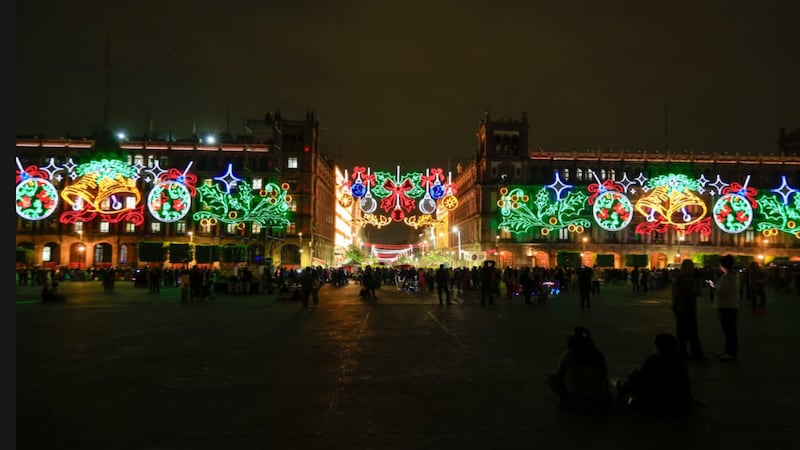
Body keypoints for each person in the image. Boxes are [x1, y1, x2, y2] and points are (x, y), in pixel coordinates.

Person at [615, 333, 693, 415]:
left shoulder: (654, 359)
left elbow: (641, 376)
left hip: (658, 401)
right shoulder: (680, 361)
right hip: (680, 402)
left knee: (634, 377)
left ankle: (622, 388)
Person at [548, 327, 612, 413]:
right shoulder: (598, 355)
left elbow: (558, 378)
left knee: (551, 379)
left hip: (576, 403)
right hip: (600, 402)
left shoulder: (568, 356)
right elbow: (604, 375)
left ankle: (565, 401)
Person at [671, 259, 707, 362]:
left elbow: (698, 293)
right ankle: (685, 354)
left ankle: (695, 354)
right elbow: (675, 293)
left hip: (690, 307)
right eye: (687, 267)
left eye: (690, 267)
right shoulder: (679, 279)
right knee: (683, 333)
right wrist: (674, 306)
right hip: (681, 308)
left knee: (692, 333)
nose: (689, 269)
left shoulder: (693, 279)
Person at [714, 254, 739, 361]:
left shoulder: (728, 278)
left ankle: (731, 352)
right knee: (729, 331)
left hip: (727, 306)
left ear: (723, 265)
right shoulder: (732, 276)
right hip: (730, 305)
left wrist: (714, 288)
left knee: (729, 331)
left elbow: (721, 292)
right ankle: (727, 350)